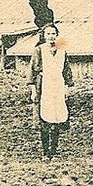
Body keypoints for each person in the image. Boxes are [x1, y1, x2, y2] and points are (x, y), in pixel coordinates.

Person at [28, 23, 73, 159]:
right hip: (44, 86)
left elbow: (66, 70)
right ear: (44, 36)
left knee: (57, 118)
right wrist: (33, 90)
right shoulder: (39, 50)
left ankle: (54, 151)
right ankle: (45, 152)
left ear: (57, 35)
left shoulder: (62, 51)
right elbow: (32, 71)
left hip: (58, 86)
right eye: (48, 34)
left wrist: (67, 87)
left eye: (53, 33)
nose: (51, 36)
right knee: (45, 118)